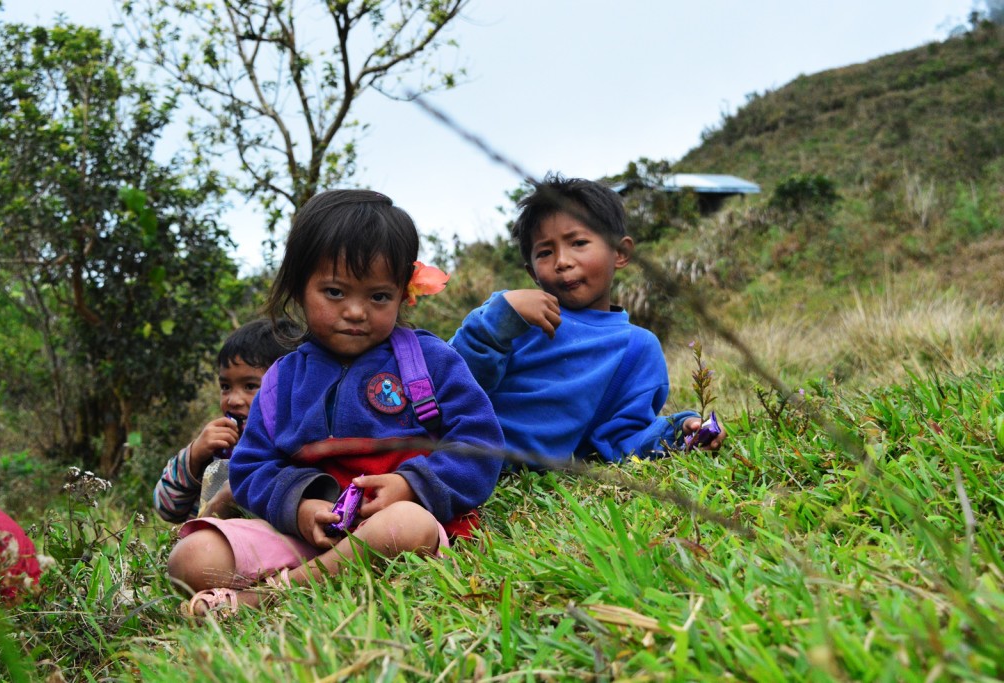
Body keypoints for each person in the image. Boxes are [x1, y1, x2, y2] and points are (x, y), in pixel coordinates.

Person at [168, 189, 504, 615]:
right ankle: (322, 572)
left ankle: (271, 596)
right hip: (305, 538)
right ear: (298, 287)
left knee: (405, 526)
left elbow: (480, 442)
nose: (356, 311)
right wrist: (301, 506)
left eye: (378, 296)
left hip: (399, 530)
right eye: (335, 292)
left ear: (403, 293)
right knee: (191, 558)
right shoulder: (282, 381)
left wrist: (409, 486)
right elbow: (252, 467)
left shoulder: (430, 362)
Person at [450, 173, 726, 467]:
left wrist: (678, 430)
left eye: (579, 242)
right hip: (450, 453)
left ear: (620, 252)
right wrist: (496, 321)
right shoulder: (514, 313)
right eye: (545, 252)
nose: (562, 261)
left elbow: (621, 438)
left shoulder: (637, 350)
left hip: (508, 476)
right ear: (532, 273)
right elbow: (447, 383)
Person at [152, 318, 300, 523]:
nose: (233, 400)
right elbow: (166, 508)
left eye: (250, 386)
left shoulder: (298, 447)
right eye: (225, 386)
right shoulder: (216, 449)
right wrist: (194, 456)